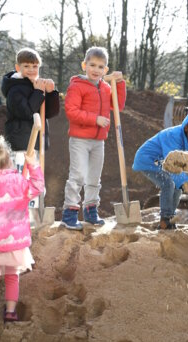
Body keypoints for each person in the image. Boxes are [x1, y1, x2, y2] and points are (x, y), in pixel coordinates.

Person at [0, 136, 44, 323]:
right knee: (12, 276)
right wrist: (33, 166)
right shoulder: (18, 182)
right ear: (9, 161)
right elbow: (38, 187)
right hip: (14, 241)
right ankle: (10, 312)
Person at [61, 46, 126, 230]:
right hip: (80, 139)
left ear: (106, 70)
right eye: (92, 65)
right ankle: (70, 213)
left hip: (99, 141)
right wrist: (94, 119)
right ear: (84, 65)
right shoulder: (77, 86)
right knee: (78, 175)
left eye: (100, 66)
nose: (96, 70)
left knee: (94, 177)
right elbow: (71, 112)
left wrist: (119, 83)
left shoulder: (106, 88)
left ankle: (90, 211)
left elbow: (118, 105)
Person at [132, 106, 188, 229]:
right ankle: (165, 220)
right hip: (149, 160)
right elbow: (172, 165)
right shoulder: (173, 136)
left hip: (164, 162)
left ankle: (170, 218)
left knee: (178, 187)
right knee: (168, 183)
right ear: (187, 127)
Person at [1, 47, 60, 174]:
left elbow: (51, 113)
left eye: (35, 66)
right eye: (26, 66)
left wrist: (51, 93)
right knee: (21, 176)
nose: (31, 70)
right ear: (18, 68)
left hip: (37, 140)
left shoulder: (38, 84)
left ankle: (34, 194)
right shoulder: (14, 89)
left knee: (35, 177)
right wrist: (38, 92)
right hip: (20, 143)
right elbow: (26, 112)